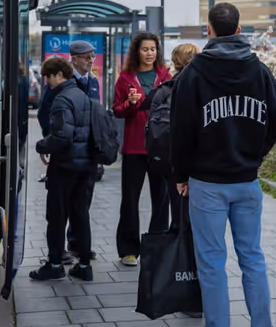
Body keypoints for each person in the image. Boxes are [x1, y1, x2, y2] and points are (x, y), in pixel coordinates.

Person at [171, 3, 276, 327]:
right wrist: (254, 157)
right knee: (252, 258)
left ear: (209, 30)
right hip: (247, 182)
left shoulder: (192, 74)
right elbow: (274, 121)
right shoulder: (260, 72)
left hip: (207, 183)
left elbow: (180, 130)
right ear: (238, 30)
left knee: (212, 263)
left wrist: (181, 173)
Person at [30, 56, 96, 282]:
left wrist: (41, 145)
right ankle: (84, 266)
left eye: (48, 77)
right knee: (81, 216)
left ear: (59, 75)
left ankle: (55, 264)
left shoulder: (61, 99)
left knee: (57, 217)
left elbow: (62, 137)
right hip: (85, 166)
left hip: (65, 167)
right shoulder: (82, 95)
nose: (47, 82)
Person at [112, 31, 172, 266]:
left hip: (160, 146)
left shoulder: (166, 76)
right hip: (134, 147)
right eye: (145, 49)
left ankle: (156, 245)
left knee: (161, 199)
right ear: (137, 51)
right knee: (130, 200)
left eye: (153, 49)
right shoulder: (125, 77)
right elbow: (117, 109)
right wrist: (131, 104)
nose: (149, 53)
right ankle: (129, 250)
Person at [139, 42, 200, 234]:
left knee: (164, 210)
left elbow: (145, 111)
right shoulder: (197, 88)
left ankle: (165, 257)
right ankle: (185, 258)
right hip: (189, 164)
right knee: (187, 216)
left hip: (161, 160)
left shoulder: (163, 89)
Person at [63, 39, 103, 264]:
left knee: (85, 199)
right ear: (74, 58)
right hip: (70, 151)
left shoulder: (94, 82)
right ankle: (67, 245)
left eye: (92, 56)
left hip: (90, 151)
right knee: (68, 200)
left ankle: (78, 242)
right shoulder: (65, 82)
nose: (90, 60)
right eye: (86, 57)